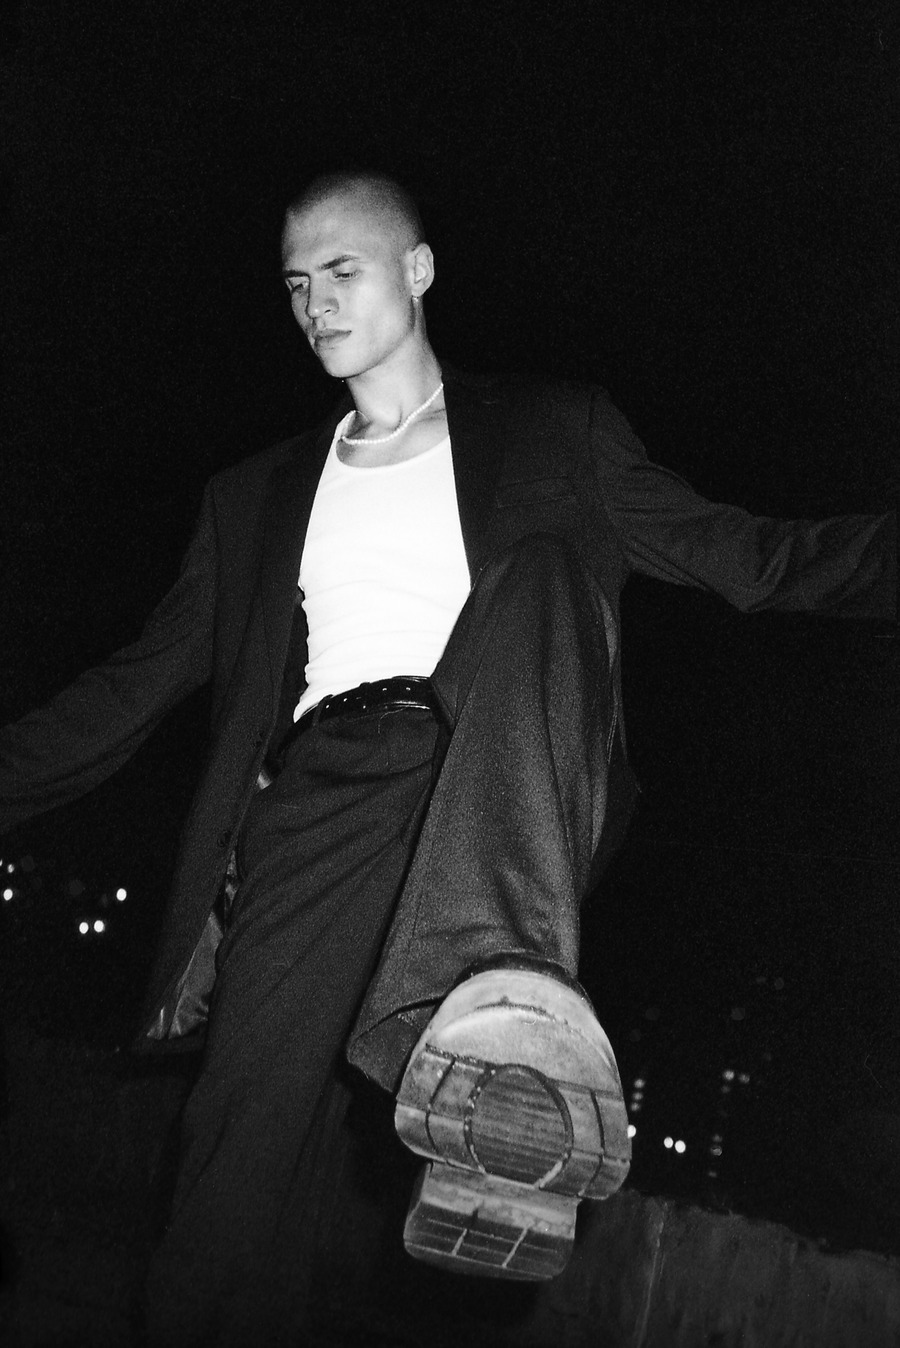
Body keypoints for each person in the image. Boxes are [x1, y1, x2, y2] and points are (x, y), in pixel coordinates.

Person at [0, 170, 895, 1345]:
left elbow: (756, 560)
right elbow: (132, 686)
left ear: (417, 270)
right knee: (240, 1150)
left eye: (343, 270)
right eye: (295, 284)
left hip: (490, 768)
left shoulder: (556, 430)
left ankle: (505, 1029)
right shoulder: (253, 497)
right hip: (318, 805)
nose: (316, 303)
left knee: (538, 579)